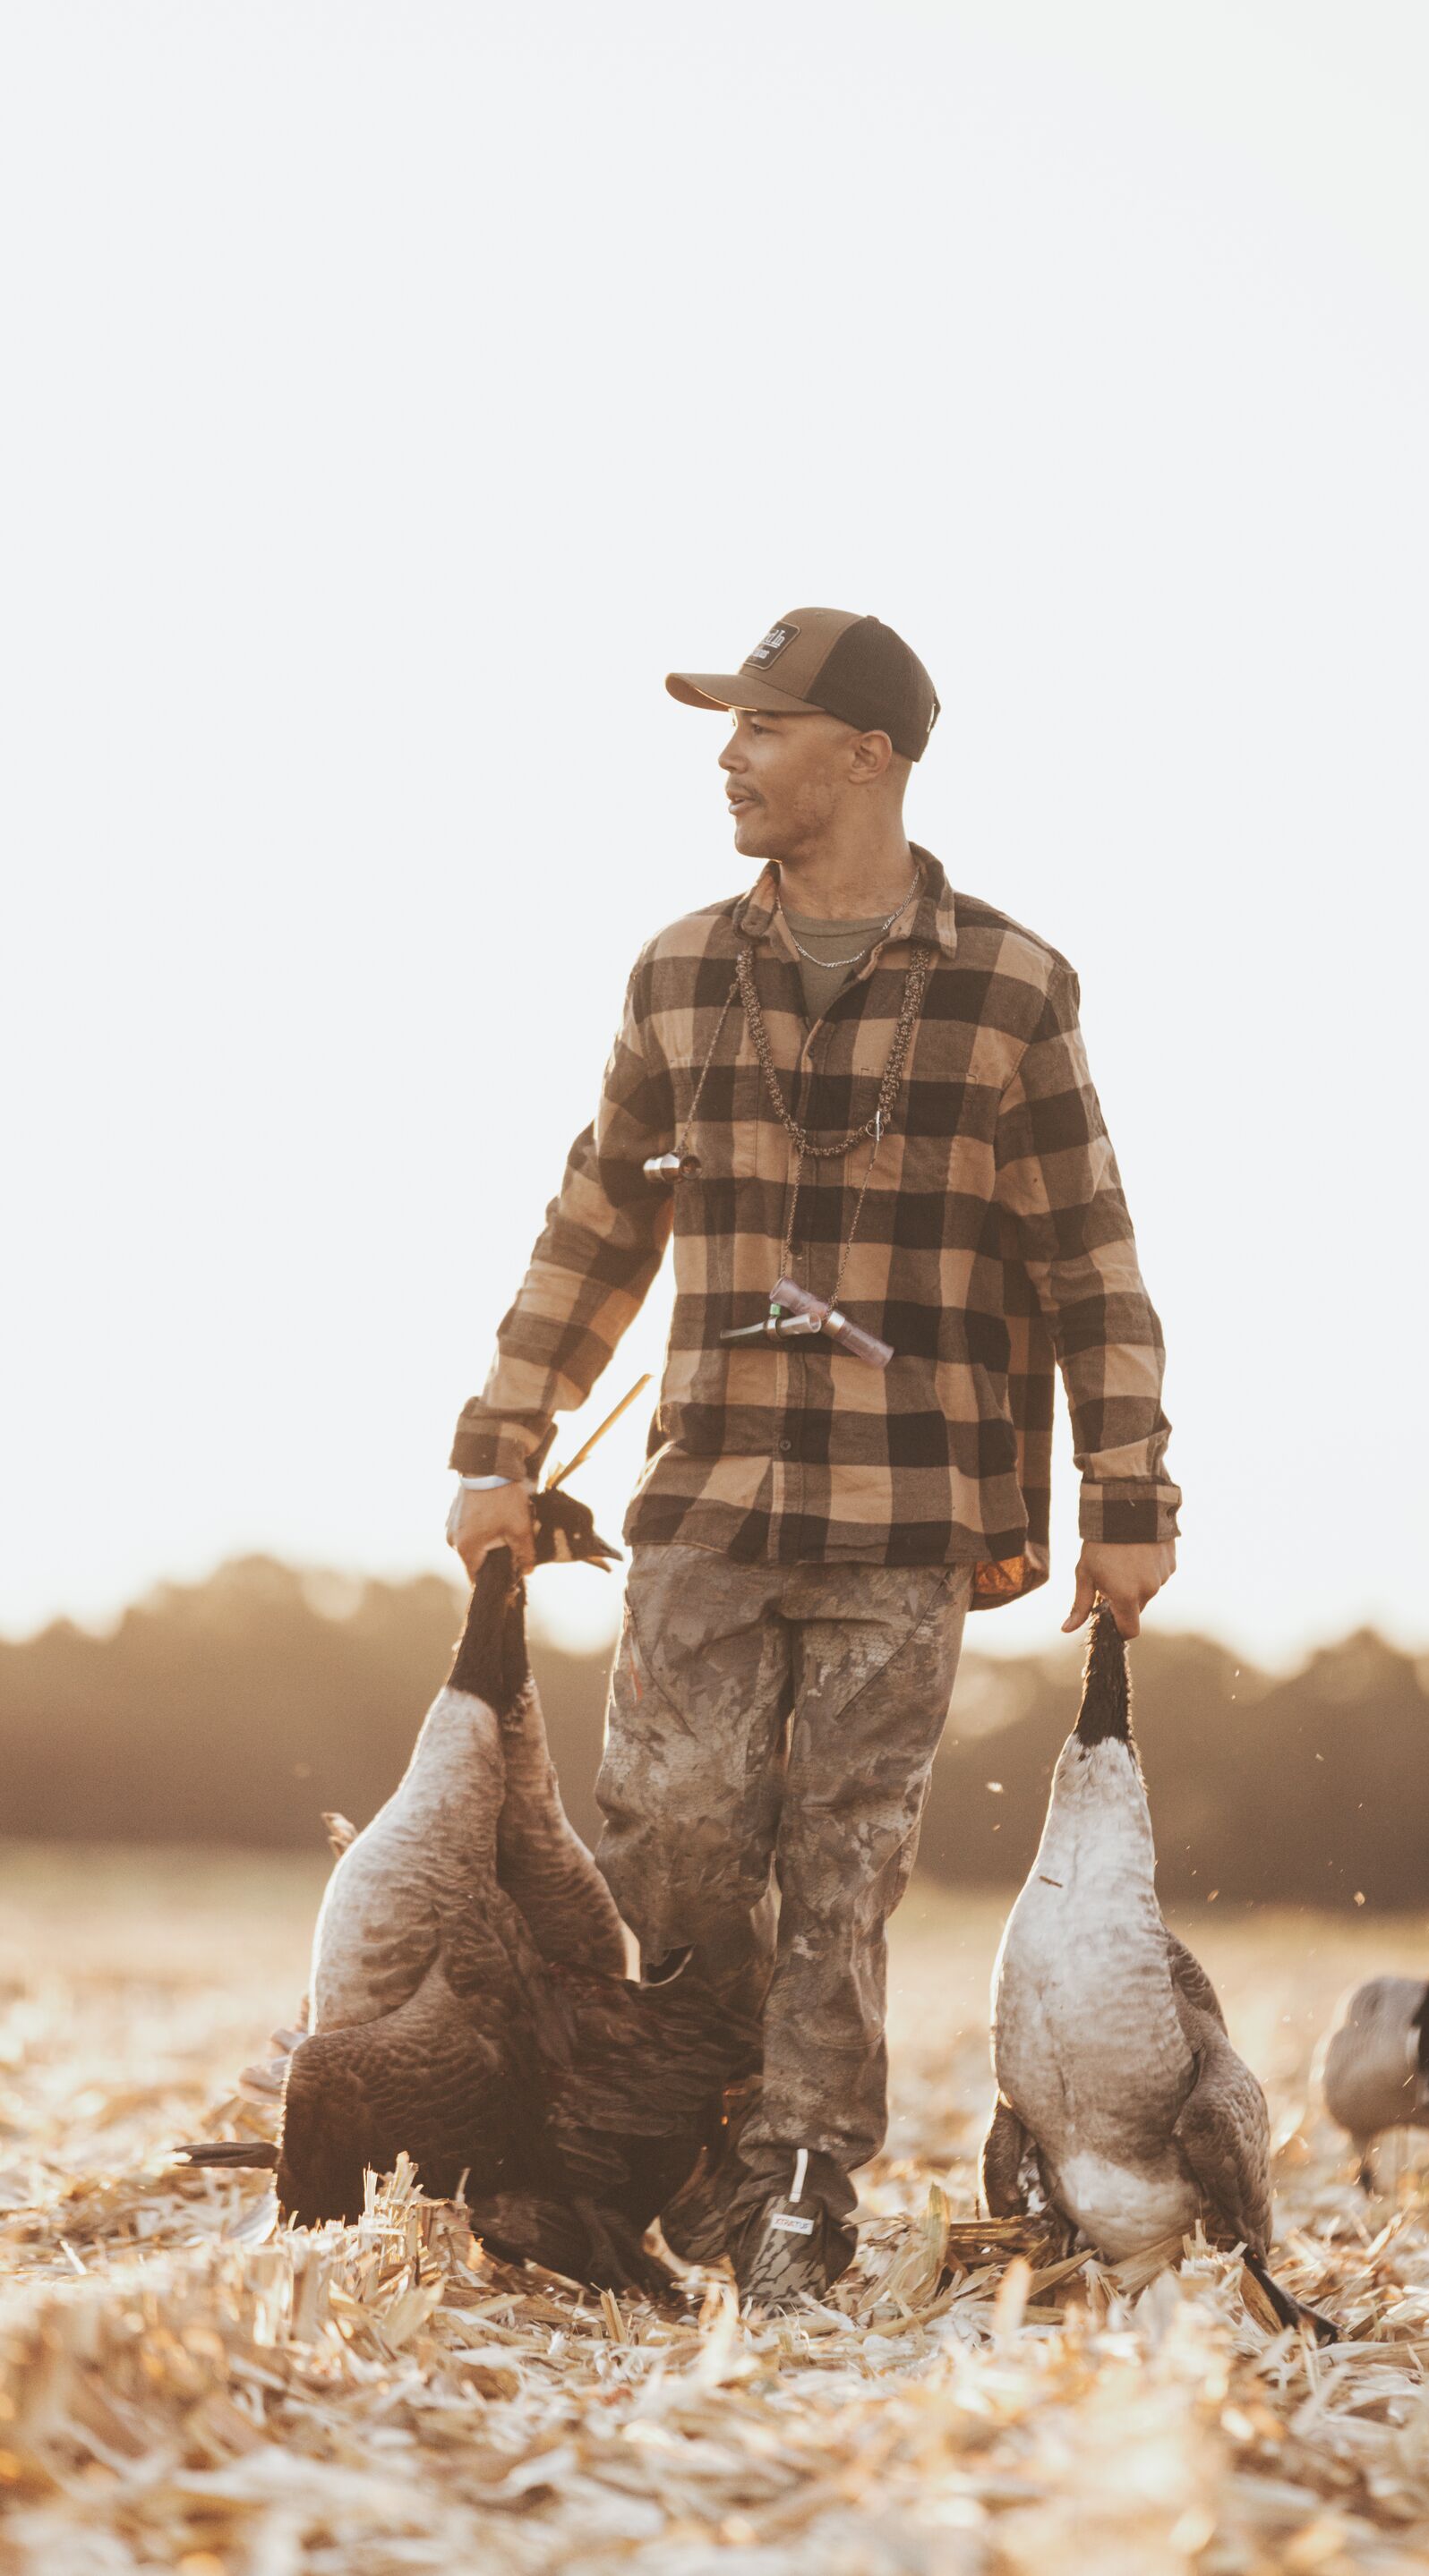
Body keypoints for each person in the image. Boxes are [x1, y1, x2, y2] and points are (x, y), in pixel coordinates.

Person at [448, 607, 1180, 2305]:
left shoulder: (1015, 983)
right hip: (705, 1499)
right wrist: (504, 1439)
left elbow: (1091, 1260)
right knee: (673, 1842)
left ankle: (799, 2182)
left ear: (870, 754)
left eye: (763, 727)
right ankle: (678, 2135)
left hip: (911, 1510)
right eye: (728, 728)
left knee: (842, 1863)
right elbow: (591, 1226)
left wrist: (1123, 1497)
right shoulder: (679, 968)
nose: (727, 756)